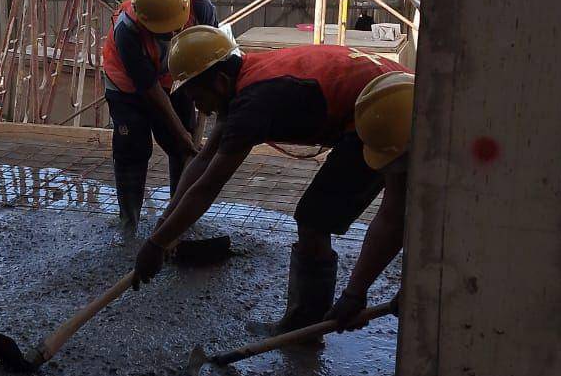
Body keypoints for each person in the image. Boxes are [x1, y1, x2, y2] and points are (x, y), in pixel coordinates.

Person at [131, 24, 412, 335]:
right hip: (388, 90)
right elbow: (203, 160)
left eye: (198, 97)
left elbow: (209, 186)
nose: (199, 108)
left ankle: (307, 324)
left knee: (314, 220)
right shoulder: (245, 77)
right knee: (319, 215)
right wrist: (165, 226)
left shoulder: (254, 102)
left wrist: (156, 245)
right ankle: (312, 317)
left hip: (386, 111)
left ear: (220, 82)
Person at [103, 0, 218, 237]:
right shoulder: (127, 30)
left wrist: (207, 97)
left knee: (183, 147)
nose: (174, 31)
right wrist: (180, 132)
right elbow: (150, 90)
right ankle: (128, 223)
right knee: (132, 148)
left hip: (174, 80)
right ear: (146, 19)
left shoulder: (199, 5)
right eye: (165, 29)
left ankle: (179, 217)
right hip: (127, 87)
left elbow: (212, 52)